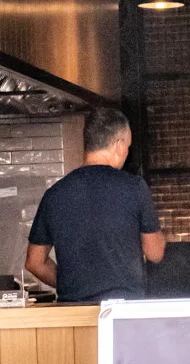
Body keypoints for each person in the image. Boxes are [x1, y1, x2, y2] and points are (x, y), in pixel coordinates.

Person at [25, 107, 166, 303]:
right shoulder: (134, 187)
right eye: (128, 146)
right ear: (119, 145)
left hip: (72, 313)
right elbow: (155, 253)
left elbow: (34, 263)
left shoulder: (55, 194)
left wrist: (72, 286)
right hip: (123, 311)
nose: (127, 152)